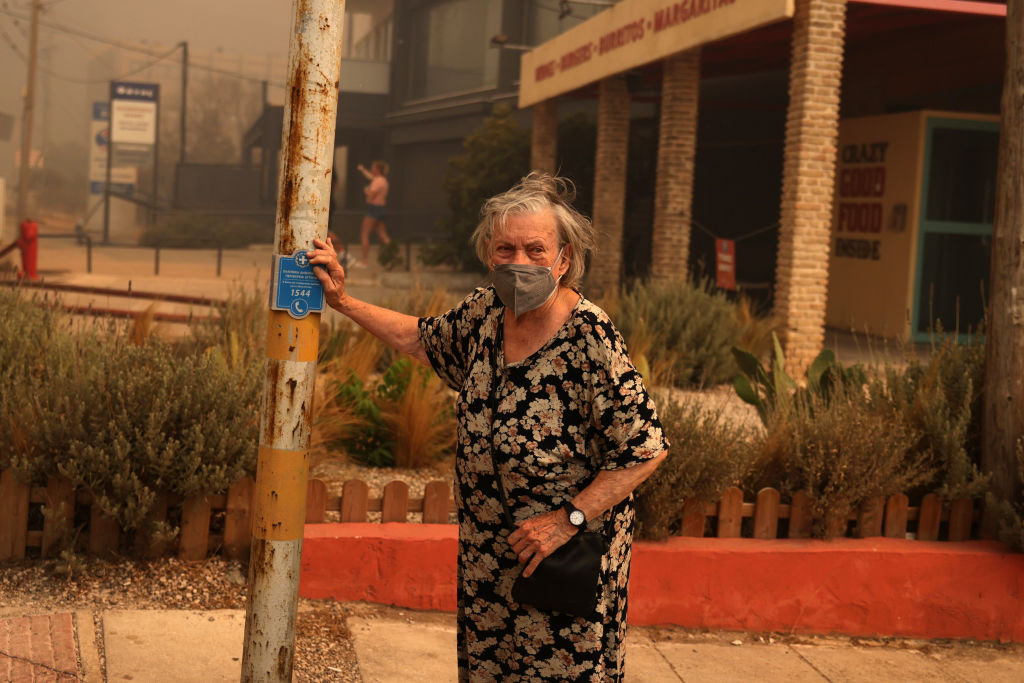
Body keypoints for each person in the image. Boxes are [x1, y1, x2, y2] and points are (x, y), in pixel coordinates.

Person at [308, 172, 668, 681]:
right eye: (506, 249)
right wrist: (342, 301)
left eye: (535, 249)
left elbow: (645, 449)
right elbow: (421, 340)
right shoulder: (485, 312)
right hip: (488, 559)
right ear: (488, 253)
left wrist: (567, 519)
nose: (519, 263)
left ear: (563, 259)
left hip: (563, 558)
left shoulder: (590, 336)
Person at [355, 160, 391, 266]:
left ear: (378, 169)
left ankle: (364, 261)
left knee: (365, 234)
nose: (372, 169)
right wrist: (362, 170)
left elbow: (371, 196)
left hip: (373, 209)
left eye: (373, 167)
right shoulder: (383, 180)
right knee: (383, 235)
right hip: (381, 209)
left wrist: (366, 191)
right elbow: (370, 176)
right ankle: (393, 256)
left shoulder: (377, 181)